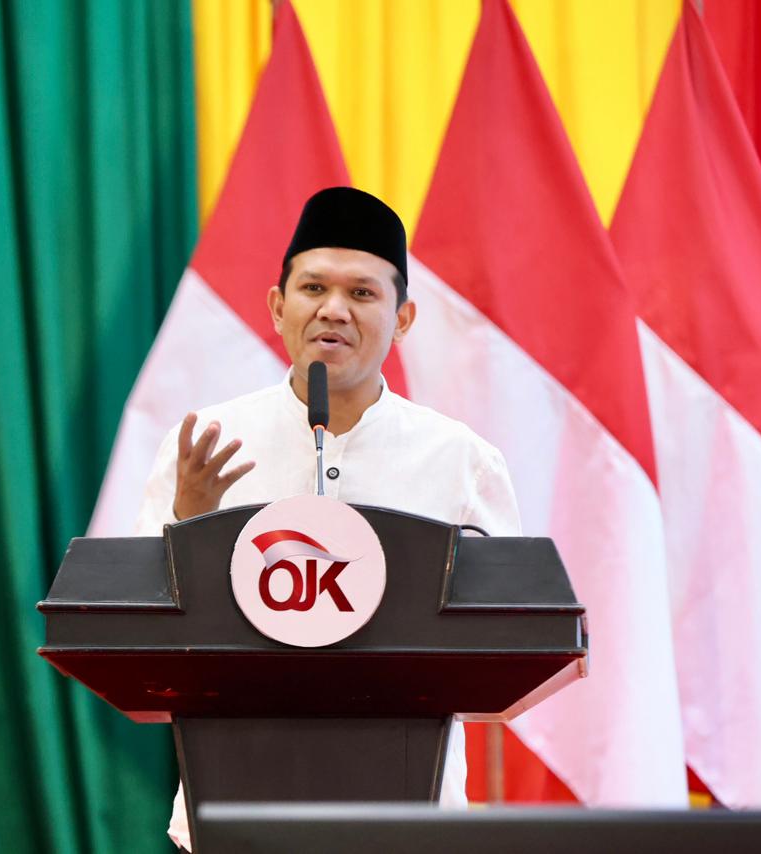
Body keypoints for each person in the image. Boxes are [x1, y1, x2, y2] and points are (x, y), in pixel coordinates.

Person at [134, 186, 521, 852]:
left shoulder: (462, 461)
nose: (333, 309)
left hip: (412, 816)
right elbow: (139, 629)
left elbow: (508, 633)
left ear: (403, 319)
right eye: (313, 288)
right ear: (277, 306)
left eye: (363, 293)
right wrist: (190, 524)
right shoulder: (203, 444)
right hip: (236, 804)